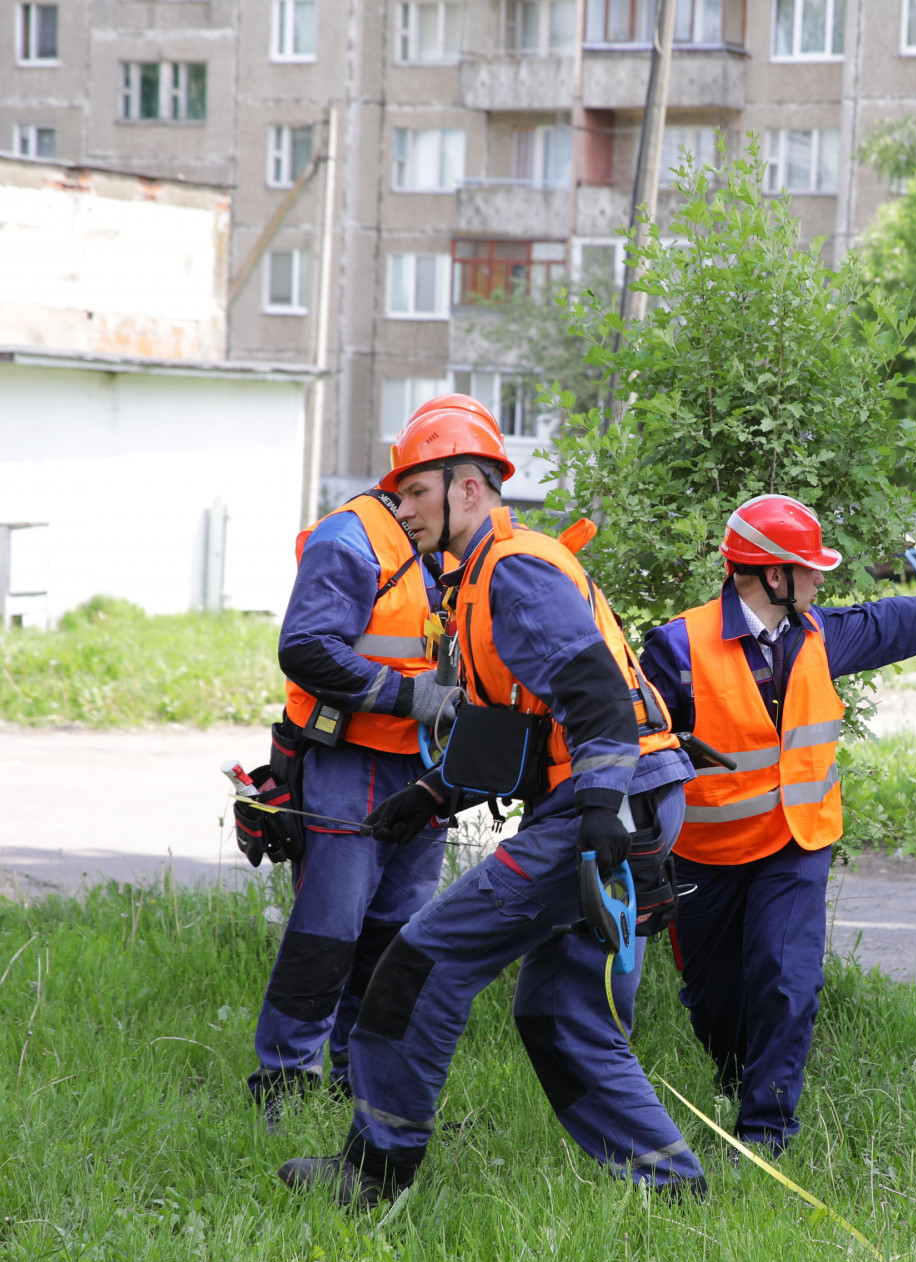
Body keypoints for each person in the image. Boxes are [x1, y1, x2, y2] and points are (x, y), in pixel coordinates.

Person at [278, 408, 703, 1207]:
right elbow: (512, 726)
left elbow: (598, 703)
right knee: (559, 1012)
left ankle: (376, 1174)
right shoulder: (475, 579)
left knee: (421, 960)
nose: (401, 510)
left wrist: (603, 813)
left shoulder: (515, 569)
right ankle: (672, 1190)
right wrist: (433, 794)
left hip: (605, 803)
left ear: (468, 488)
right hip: (625, 797)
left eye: (414, 493)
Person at [638, 494, 916, 1156]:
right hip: (706, 854)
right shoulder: (677, 646)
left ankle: (764, 1134)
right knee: (716, 1000)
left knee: (787, 977)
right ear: (771, 575)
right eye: (809, 567)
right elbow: (634, 746)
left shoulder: (817, 633)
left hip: (796, 841)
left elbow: (887, 621)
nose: (820, 578)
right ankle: (739, 1079)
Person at [245, 395, 491, 1118]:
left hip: (419, 777)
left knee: (394, 939)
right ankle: (285, 1085)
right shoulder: (352, 537)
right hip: (348, 765)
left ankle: (361, 1076)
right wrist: (413, 698)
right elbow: (306, 646)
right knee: (329, 932)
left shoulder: (439, 551)